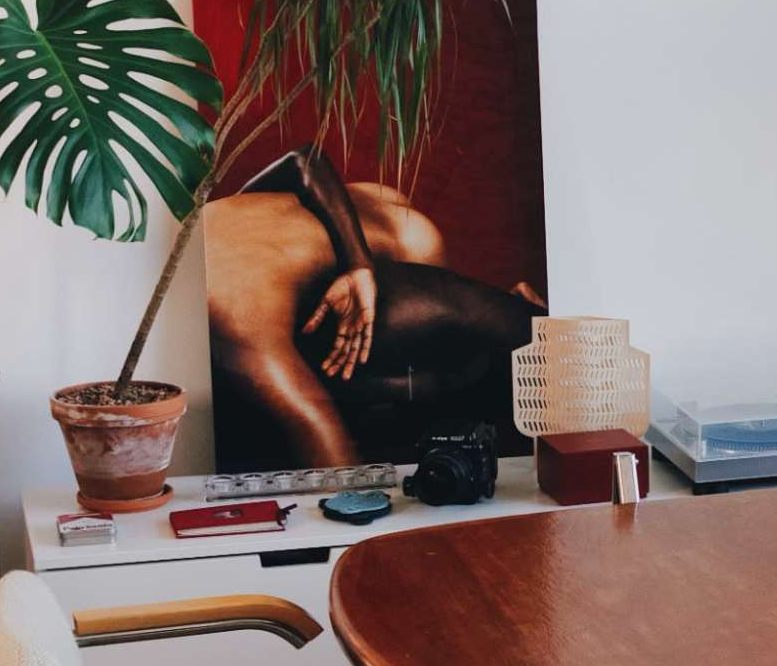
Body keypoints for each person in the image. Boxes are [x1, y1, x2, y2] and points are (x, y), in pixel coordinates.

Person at [200, 146, 538, 470]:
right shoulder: (201, 226)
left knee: (504, 360)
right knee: (400, 380)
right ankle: (515, 309)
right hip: (372, 208)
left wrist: (358, 267)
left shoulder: (233, 312)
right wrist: (356, 260)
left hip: (400, 247)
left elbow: (317, 429)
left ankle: (522, 317)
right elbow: (302, 160)